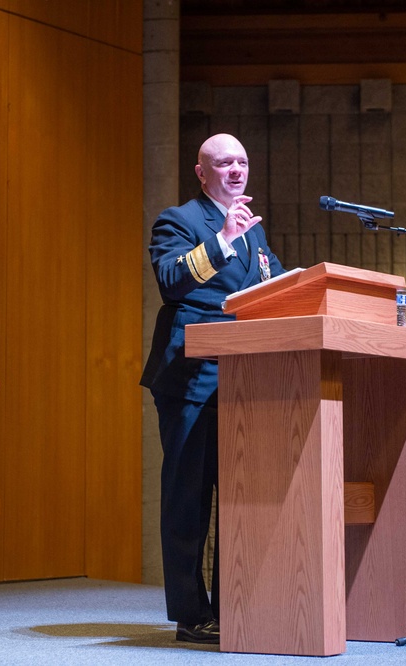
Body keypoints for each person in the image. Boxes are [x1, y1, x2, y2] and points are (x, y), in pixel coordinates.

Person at [140, 133, 285, 645]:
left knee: (242, 496)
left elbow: (277, 288)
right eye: (225, 163)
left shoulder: (255, 229)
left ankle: (234, 604)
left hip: (247, 380)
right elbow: (171, 280)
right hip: (192, 377)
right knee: (189, 498)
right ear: (202, 173)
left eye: (243, 161)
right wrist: (222, 240)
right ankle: (189, 613)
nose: (237, 171)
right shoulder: (179, 220)